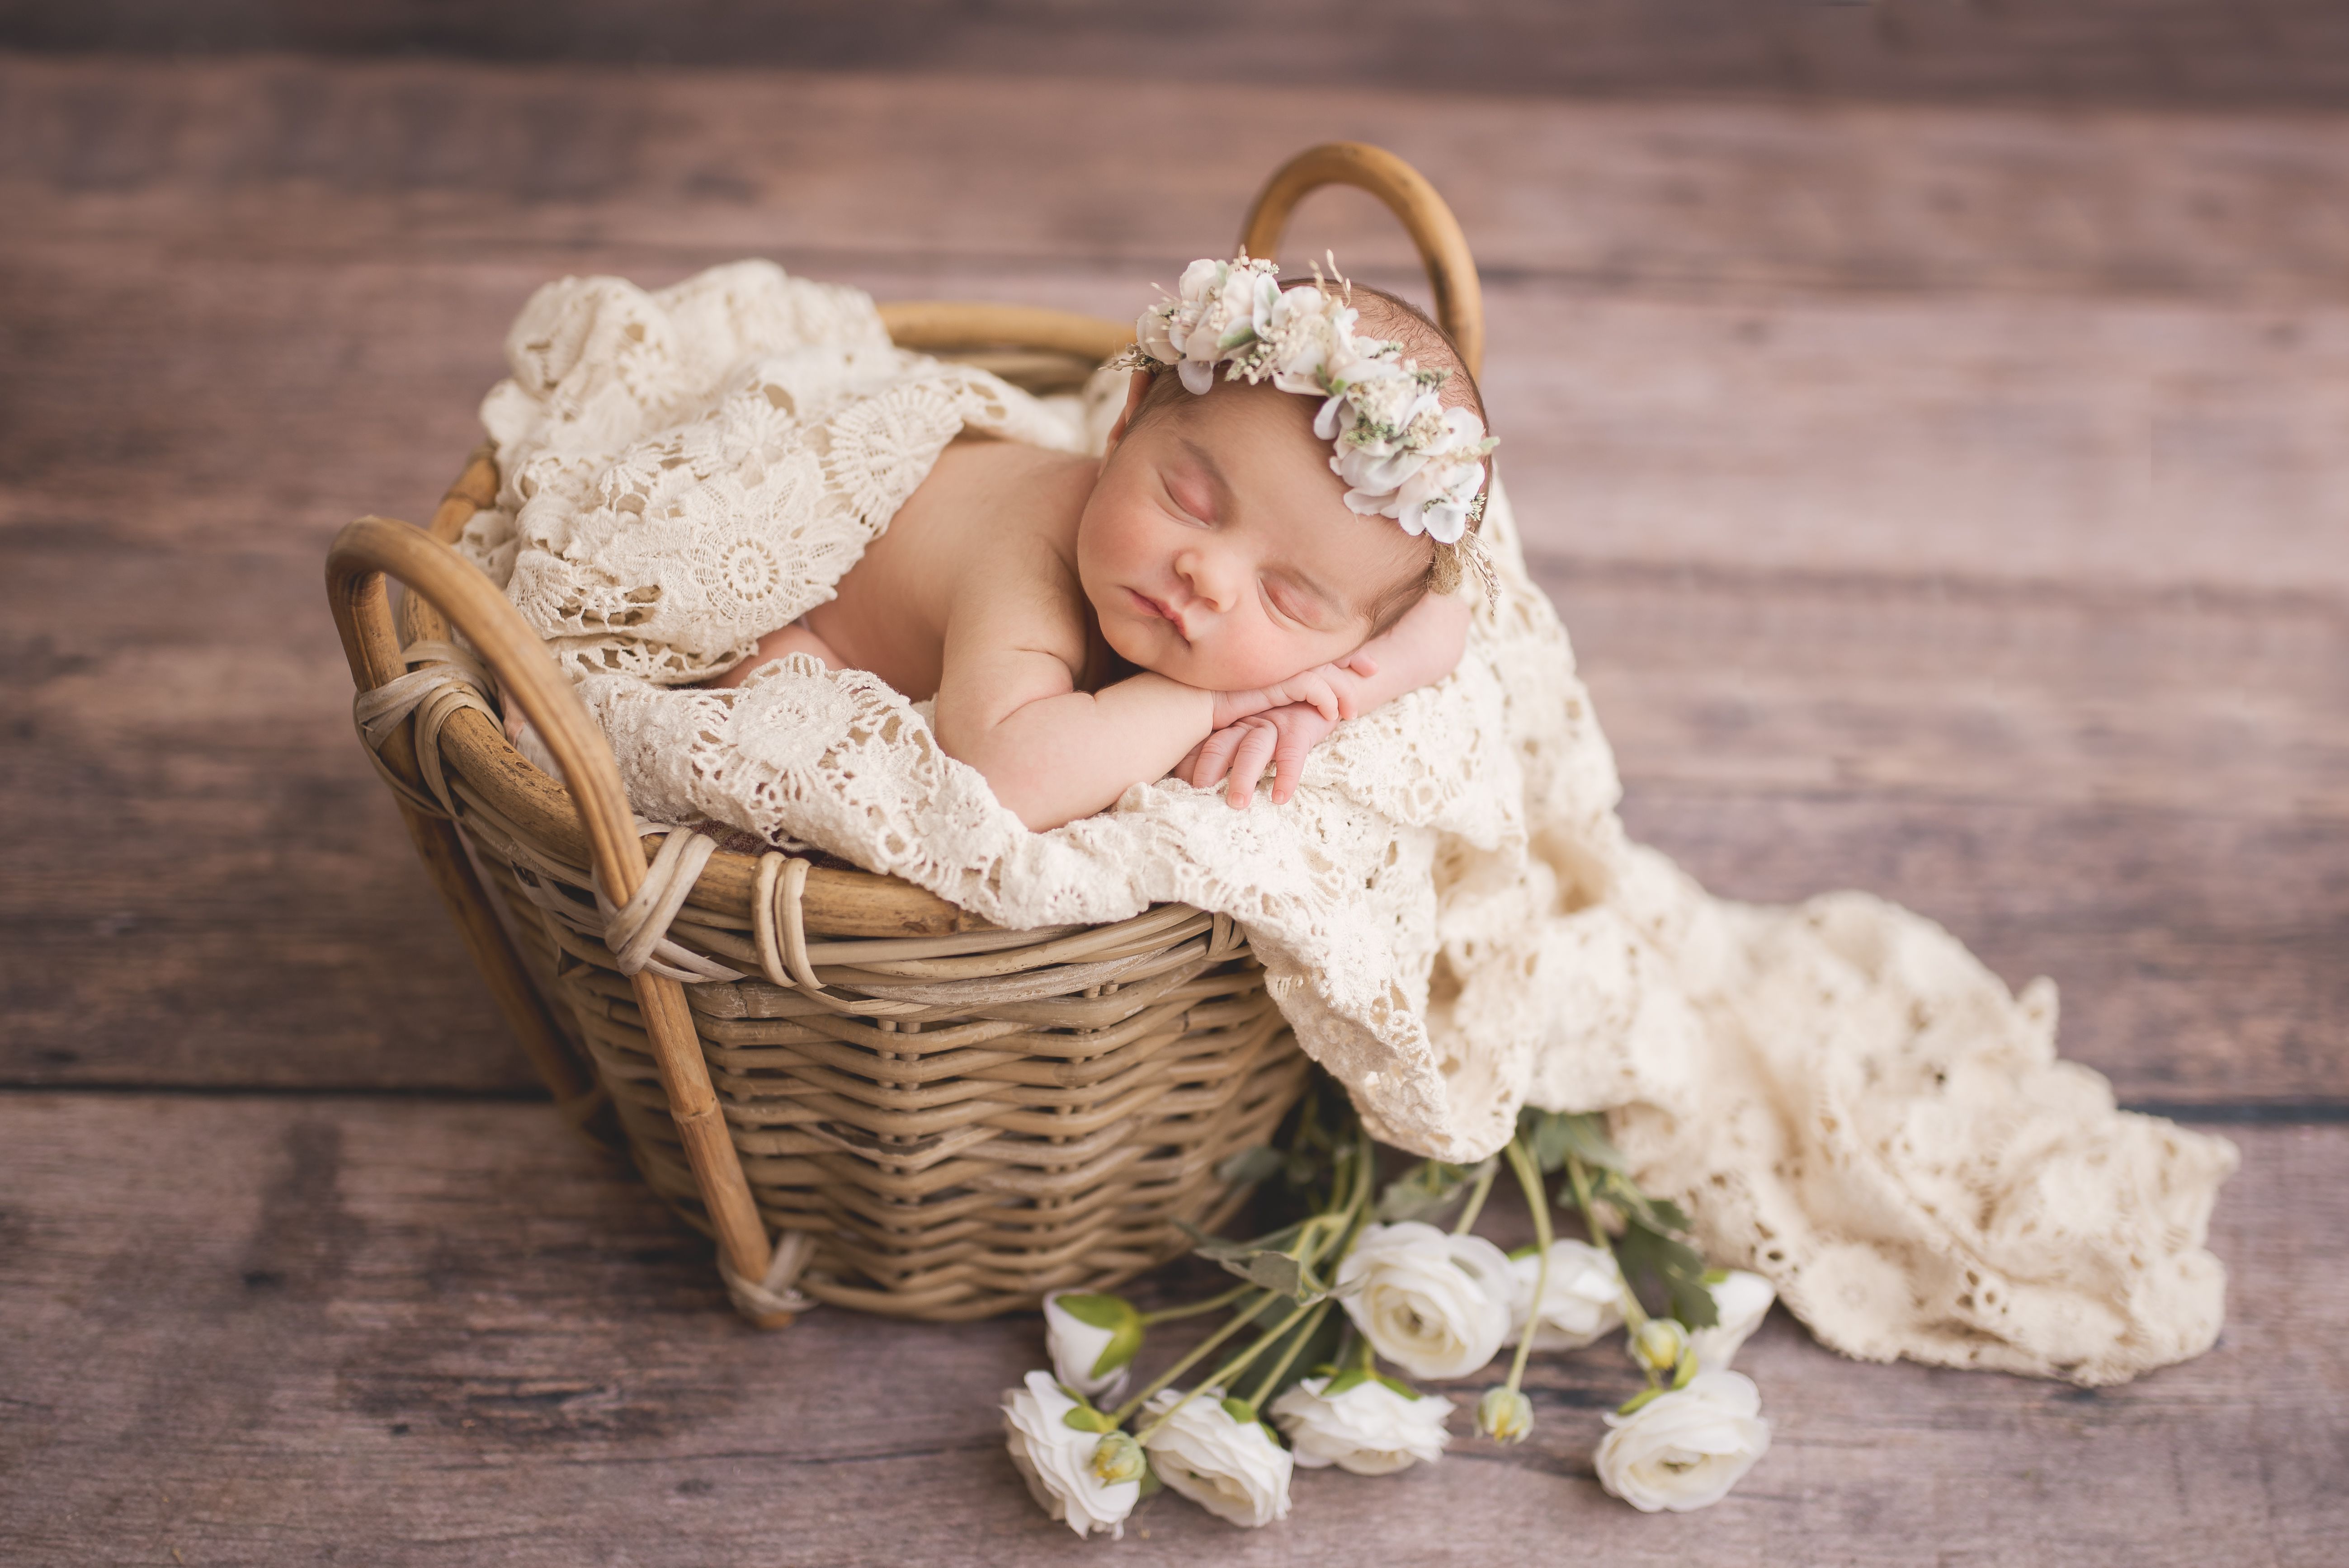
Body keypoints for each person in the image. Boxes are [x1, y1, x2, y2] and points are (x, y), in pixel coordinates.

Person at [705, 257, 1498, 831]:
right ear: (1123, 428)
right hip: (818, 599)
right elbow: (1001, 774)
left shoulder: (1363, 593)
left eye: (1286, 598)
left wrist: (1334, 699)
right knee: (775, 700)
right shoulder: (1032, 557)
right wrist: (1211, 700)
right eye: (1189, 502)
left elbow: (1443, 616)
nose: (1210, 576)